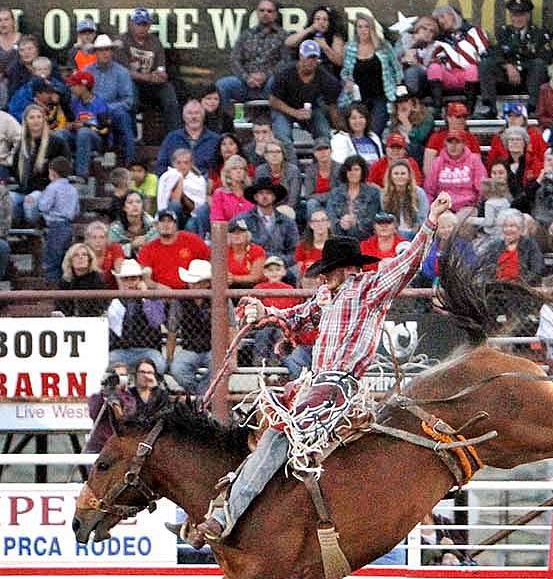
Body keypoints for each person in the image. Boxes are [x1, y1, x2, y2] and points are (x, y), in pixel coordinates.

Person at [192, 191, 455, 545]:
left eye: (328, 271)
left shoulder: (369, 287)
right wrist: (263, 315)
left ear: (347, 269)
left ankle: (225, 517)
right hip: (316, 384)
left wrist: (430, 222)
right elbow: (297, 317)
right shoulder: (327, 297)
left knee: (278, 436)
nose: (323, 277)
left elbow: (404, 266)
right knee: (259, 430)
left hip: (337, 389)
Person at [479, 0, 553, 117]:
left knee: (539, 64)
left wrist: (520, 66)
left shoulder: (539, 34)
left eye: (521, 15)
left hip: (529, 78)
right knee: (486, 64)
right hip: (506, 77)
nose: (517, 19)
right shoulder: (503, 32)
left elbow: (545, 57)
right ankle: (490, 107)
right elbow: (496, 53)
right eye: (514, 15)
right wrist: (508, 66)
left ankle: (532, 108)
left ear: (528, 15)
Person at [267, 40, 342, 145]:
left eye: (314, 57)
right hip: (284, 108)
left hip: (311, 109)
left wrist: (340, 127)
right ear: (301, 56)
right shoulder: (285, 72)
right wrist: (295, 113)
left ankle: (322, 160)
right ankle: (290, 161)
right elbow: (273, 100)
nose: (311, 61)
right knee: (282, 135)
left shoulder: (325, 77)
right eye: (308, 57)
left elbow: (332, 104)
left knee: (324, 133)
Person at [216, 0, 287, 107]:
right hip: (246, 84)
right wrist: (247, 78)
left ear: (275, 14)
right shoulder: (246, 34)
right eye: (262, 10)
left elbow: (285, 61)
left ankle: (276, 118)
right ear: (257, 13)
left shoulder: (283, 36)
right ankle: (224, 121)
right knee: (222, 85)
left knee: (276, 82)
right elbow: (235, 60)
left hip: (269, 86)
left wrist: (265, 75)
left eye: (269, 11)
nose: (265, 14)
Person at [119, 7, 180, 129]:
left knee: (169, 92)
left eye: (145, 24)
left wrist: (161, 75)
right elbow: (122, 71)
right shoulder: (123, 40)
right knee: (130, 92)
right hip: (131, 83)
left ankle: (174, 135)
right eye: (138, 24)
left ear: (149, 25)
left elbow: (161, 68)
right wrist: (147, 77)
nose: (142, 28)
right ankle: (132, 136)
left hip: (150, 84)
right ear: (131, 24)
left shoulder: (155, 42)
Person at [339, 11, 400, 133]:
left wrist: (398, 86)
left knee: (375, 131)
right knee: (358, 130)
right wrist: (347, 81)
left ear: (372, 28)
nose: (363, 30)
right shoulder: (350, 48)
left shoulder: (383, 46)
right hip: (358, 97)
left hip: (381, 95)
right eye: (360, 27)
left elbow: (396, 68)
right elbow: (345, 71)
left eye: (366, 26)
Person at [106, 259, 168, 375]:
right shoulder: (115, 301)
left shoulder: (153, 298)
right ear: (122, 282)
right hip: (122, 351)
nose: (130, 283)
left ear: (140, 280)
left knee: (160, 365)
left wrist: (145, 296)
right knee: (103, 362)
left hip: (148, 350)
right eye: (126, 279)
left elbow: (157, 321)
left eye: (133, 279)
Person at [167, 259, 215, 394]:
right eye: (192, 282)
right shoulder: (180, 299)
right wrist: (169, 358)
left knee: (219, 369)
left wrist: (231, 355)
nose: (194, 286)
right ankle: (202, 395)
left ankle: (200, 398)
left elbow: (231, 327)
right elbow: (172, 330)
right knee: (177, 369)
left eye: (198, 282)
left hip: (214, 349)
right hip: (190, 349)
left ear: (207, 283)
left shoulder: (219, 298)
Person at [137, 208, 210, 291]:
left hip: (192, 292)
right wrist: (158, 287)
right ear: (156, 225)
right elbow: (145, 279)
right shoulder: (148, 249)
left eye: (169, 221)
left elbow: (210, 260)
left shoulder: (192, 240)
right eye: (162, 221)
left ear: (176, 224)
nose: (166, 224)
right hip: (162, 296)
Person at [235, 177, 299, 265]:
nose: (264, 196)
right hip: (252, 265)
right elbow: (236, 247)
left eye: (268, 193)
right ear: (255, 197)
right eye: (261, 193)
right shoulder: (242, 220)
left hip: (280, 267)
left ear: (274, 197)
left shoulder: (287, 222)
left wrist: (281, 262)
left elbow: (294, 250)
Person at [326, 155, 383, 241]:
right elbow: (330, 216)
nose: (353, 173)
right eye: (349, 170)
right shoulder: (335, 192)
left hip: (365, 236)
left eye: (356, 170)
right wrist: (340, 223)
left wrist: (356, 223)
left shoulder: (373, 193)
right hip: (339, 234)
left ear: (362, 171)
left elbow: (372, 218)